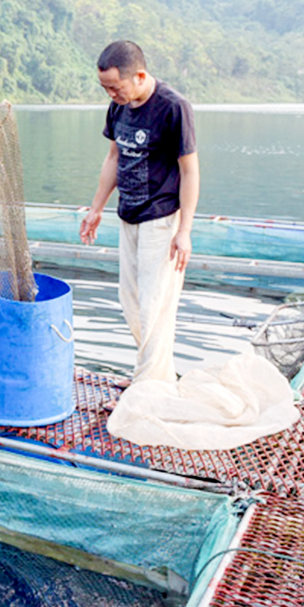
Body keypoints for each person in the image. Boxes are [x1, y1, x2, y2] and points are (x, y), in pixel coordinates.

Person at [79, 40, 199, 386]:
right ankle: (156, 375)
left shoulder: (173, 108)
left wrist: (185, 230)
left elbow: (190, 172)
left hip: (162, 218)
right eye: (105, 88)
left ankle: (149, 385)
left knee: (155, 305)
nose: (111, 94)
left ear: (140, 76)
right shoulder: (119, 107)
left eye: (115, 87)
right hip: (128, 213)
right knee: (130, 301)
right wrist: (96, 209)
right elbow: (114, 158)